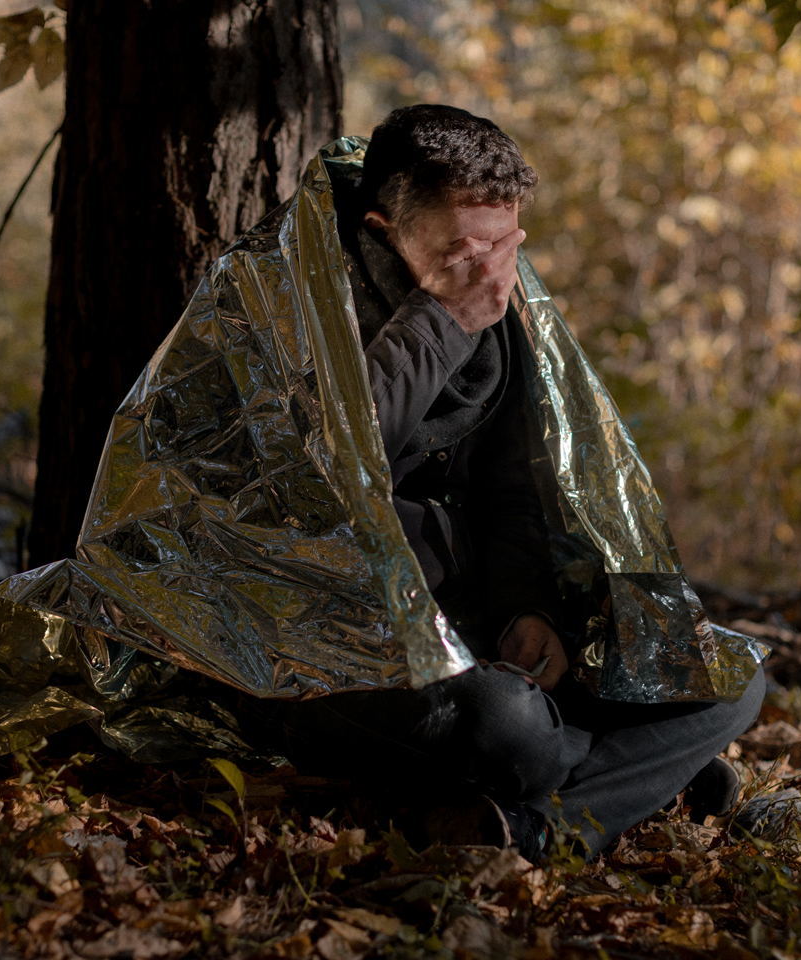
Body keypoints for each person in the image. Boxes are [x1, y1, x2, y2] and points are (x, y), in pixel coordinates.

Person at [235, 105, 764, 861]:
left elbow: (511, 486)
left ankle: (528, 825)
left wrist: (530, 609)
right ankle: (634, 781)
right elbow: (321, 462)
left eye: (503, 245)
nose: (490, 271)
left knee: (727, 676)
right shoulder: (302, 302)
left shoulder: (501, 318)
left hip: (480, 644)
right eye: (463, 250)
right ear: (386, 230)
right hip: (347, 657)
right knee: (511, 732)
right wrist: (440, 319)